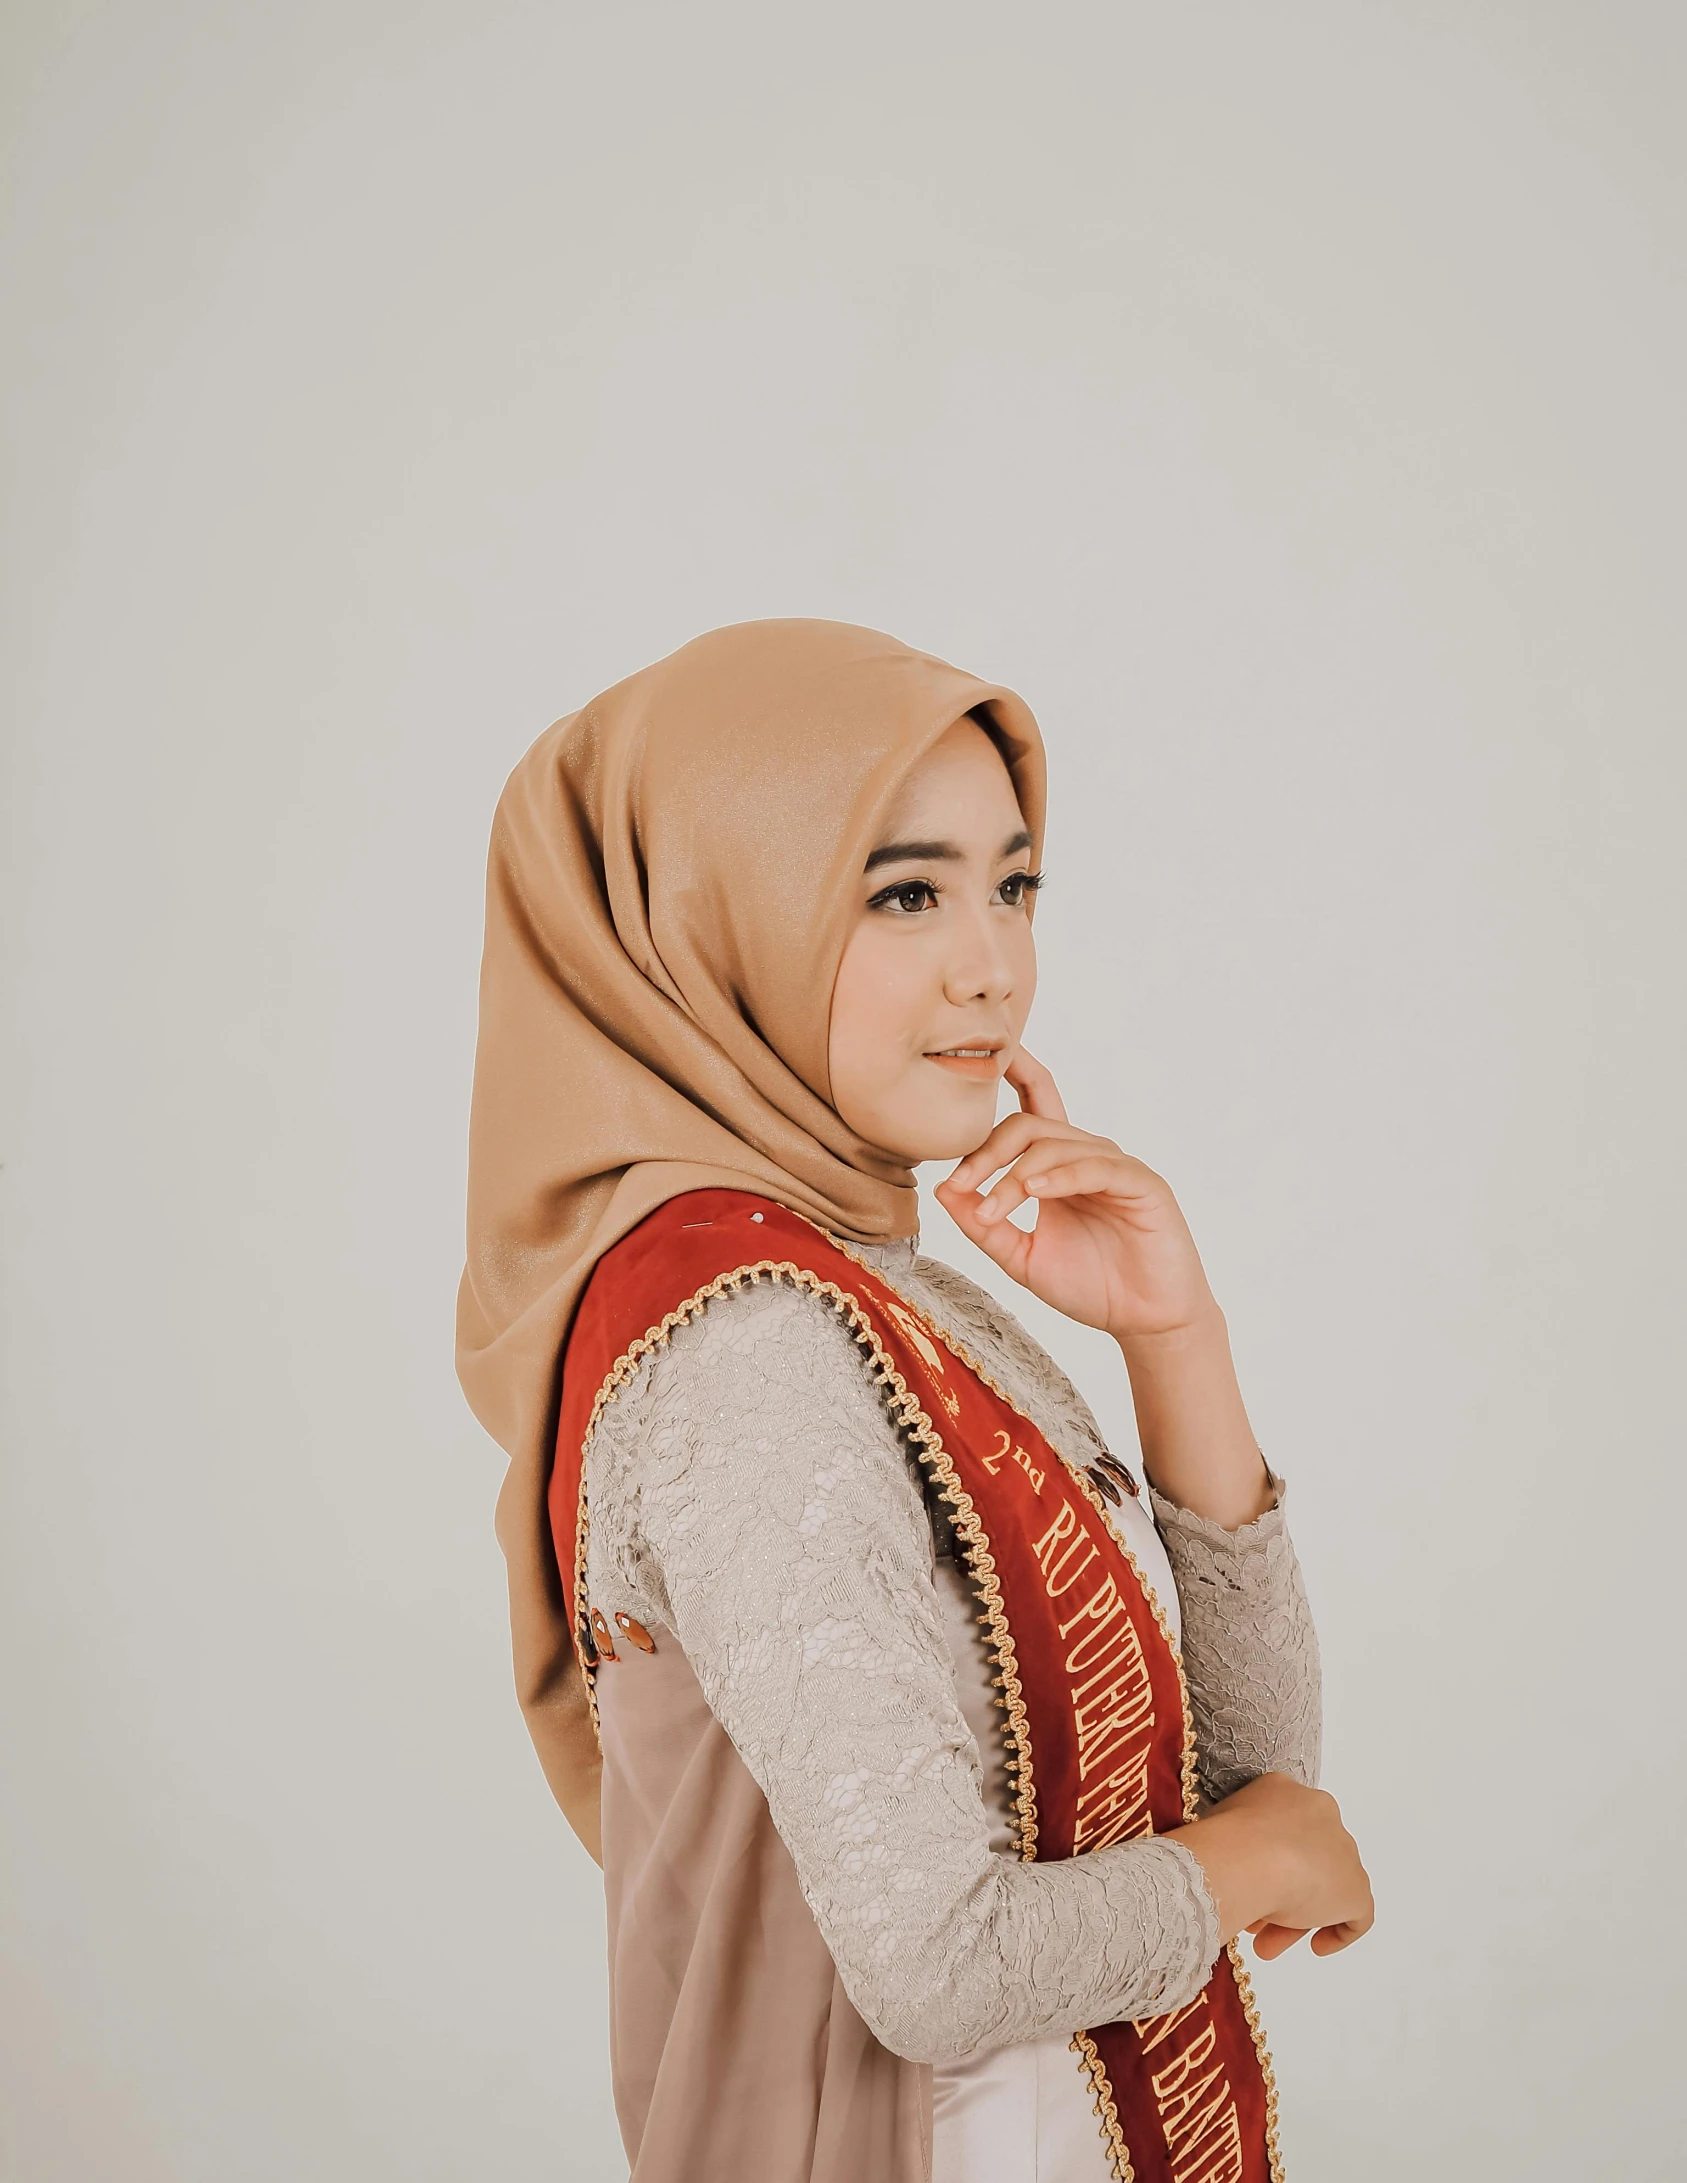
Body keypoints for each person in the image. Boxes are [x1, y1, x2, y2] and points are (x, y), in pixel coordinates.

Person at [457, 619, 1372, 2183]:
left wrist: (1175, 1332)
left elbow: (1244, 1772)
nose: (990, 962)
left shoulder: (880, 1288)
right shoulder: (744, 1339)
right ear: (710, 917)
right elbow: (939, 1964)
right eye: (902, 893)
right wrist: (1240, 1869)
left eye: (1011, 883)